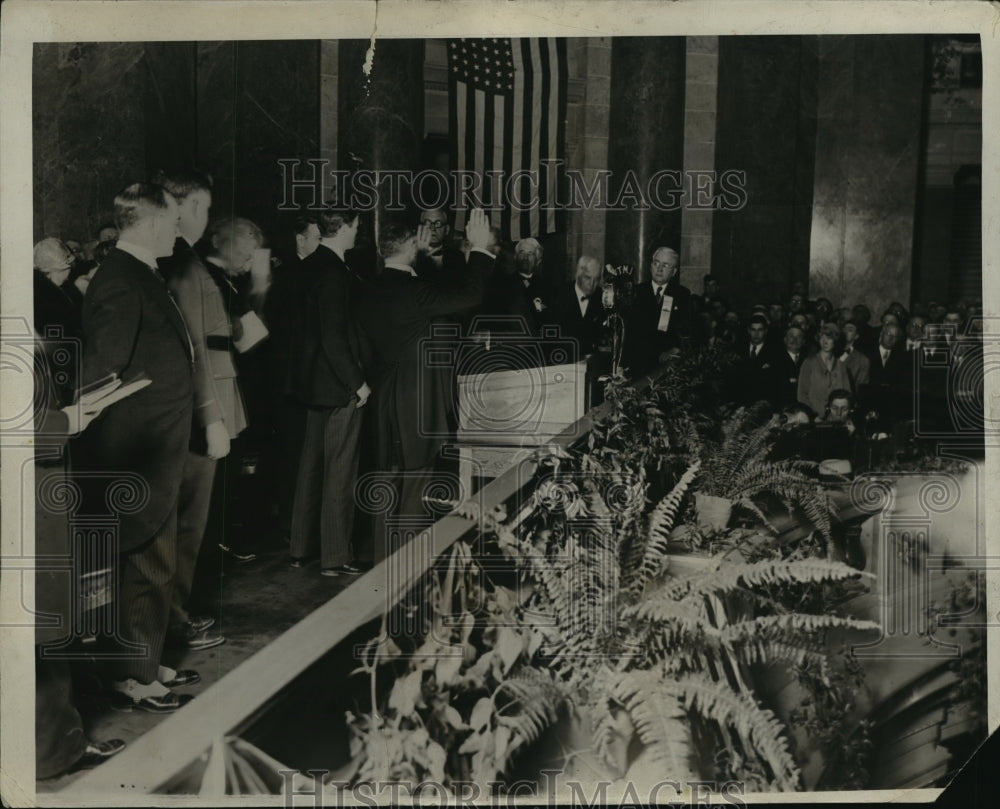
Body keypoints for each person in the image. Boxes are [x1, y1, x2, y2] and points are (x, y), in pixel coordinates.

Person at [79, 182, 199, 712]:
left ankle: (143, 663)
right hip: (136, 452)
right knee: (145, 563)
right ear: (150, 223)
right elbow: (99, 372)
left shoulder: (139, 273)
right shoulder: (122, 280)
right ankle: (131, 674)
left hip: (156, 446)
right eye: (172, 221)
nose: (177, 230)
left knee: (153, 560)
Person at [354, 209, 493, 561]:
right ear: (412, 244)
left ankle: (379, 575)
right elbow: (471, 296)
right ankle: (407, 574)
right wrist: (478, 250)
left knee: (385, 487)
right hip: (415, 407)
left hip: (383, 402)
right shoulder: (416, 292)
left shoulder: (368, 290)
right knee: (415, 490)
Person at [34, 335, 127, 778]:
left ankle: (51, 748)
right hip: (28, 501)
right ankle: (54, 754)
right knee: (42, 629)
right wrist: (66, 421)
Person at [156, 168, 237, 651]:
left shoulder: (184, 258)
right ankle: (174, 619)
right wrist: (212, 416)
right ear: (182, 208)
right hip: (197, 410)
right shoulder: (181, 263)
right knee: (187, 525)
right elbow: (195, 349)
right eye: (203, 208)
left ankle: (176, 613)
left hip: (204, 402)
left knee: (189, 524)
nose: (208, 218)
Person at [287, 207, 371, 576]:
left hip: (311, 384)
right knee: (340, 470)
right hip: (338, 386)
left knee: (310, 467)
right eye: (357, 227)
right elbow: (335, 338)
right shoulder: (336, 272)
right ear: (346, 228)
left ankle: (300, 548)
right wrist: (358, 383)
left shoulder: (307, 265)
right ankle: (335, 556)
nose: (358, 233)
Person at [623, 246, 694, 376]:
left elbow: (687, 328)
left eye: (665, 266)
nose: (659, 269)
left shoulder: (681, 294)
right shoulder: (636, 292)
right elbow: (629, 332)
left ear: (674, 272)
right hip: (638, 364)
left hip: (667, 367)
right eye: (656, 263)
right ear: (650, 266)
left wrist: (676, 349)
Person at [548, 255, 605, 357]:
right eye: (587, 278)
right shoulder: (558, 295)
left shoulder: (602, 297)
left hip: (591, 362)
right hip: (562, 360)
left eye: (596, 279)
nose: (591, 284)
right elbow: (552, 337)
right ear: (577, 275)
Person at [797, 322, 850, 417]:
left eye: (829, 338)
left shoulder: (841, 365)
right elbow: (802, 395)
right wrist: (813, 416)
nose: (825, 341)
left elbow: (848, 394)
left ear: (835, 340)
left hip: (837, 419)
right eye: (822, 337)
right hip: (814, 419)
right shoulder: (809, 363)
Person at [730, 314, 775, 407]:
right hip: (738, 403)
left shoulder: (774, 353)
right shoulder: (737, 349)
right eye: (753, 330)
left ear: (765, 331)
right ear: (748, 330)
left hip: (763, 405)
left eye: (760, 330)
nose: (756, 334)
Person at [415, 206, 465, 278]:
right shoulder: (410, 256)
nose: (432, 228)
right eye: (427, 223)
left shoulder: (458, 257)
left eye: (438, 223)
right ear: (420, 228)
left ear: (447, 229)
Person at [771, 325, 806, 409]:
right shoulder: (774, 360)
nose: (795, 340)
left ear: (804, 341)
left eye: (799, 337)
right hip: (782, 407)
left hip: (804, 407)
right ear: (785, 340)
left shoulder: (808, 360)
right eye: (791, 336)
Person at [840, 319, 871, 394]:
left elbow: (860, 389)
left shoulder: (862, 360)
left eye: (850, 330)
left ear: (856, 336)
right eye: (844, 329)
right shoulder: (830, 353)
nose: (845, 332)